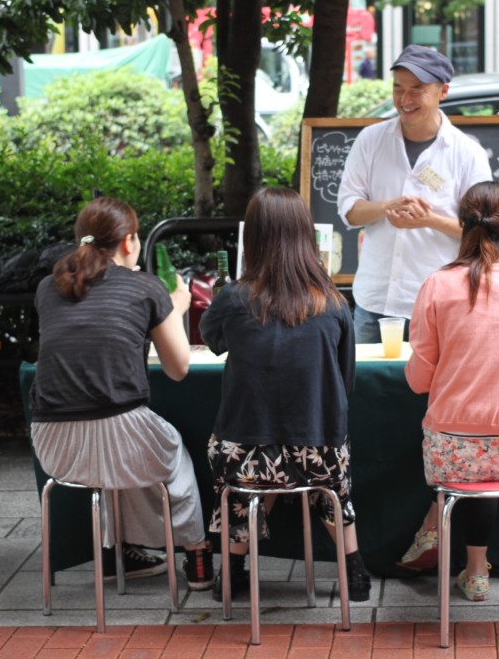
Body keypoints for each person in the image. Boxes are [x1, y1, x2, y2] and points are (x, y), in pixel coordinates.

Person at [29, 196, 214, 590]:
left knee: (119, 452)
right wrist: (176, 306)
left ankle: (118, 554)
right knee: (166, 451)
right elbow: (178, 369)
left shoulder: (48, 287)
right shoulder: (146, 287)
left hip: (51, 442)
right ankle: (197, 554)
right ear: (130, 242)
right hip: (121, 432)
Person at [200, 187, 371, 602]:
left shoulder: (234, 298)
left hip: (245, 453)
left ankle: (232, 570)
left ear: (252, 238)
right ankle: (356, 572)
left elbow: (211, 339)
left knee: (253, 468)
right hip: (319, 452)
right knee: (322, 464)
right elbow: (344, 381)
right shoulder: (332, 302)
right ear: (305, 237)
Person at [399, 181, 499, 599]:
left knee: (463, 459)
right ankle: (475, 570)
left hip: (451, 454)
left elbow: (418, 380)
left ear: (462, 226)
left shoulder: (437, 285)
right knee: (488, 451)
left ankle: (436, 531)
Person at [337, 44, 492, 344]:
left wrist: (429, 220)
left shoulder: (467, 153)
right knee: (366, 388)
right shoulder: (370, 140)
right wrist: (387, 206)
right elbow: (349, 210)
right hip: (373, 300)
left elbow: (482, 229)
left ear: (442, 91)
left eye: (417, 89)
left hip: (438, 303)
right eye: (398, 89)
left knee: (434, 391)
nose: (404, 100)